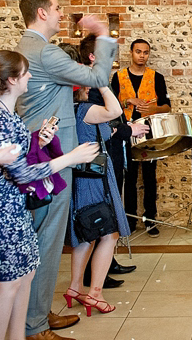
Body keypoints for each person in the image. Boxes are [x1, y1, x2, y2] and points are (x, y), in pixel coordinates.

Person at [15, 0, 117, 340]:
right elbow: (98, 77)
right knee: (46, 241)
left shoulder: (26, 48)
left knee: (45, 239)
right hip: (51, 157)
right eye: (57, 8)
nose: (62, 14)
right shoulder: (44, 51)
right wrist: (102, 34)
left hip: (41, 154)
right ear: (42, 13)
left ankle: (37, 314)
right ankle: (34, 326)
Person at [0, 50, 98, 340]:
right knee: (8, 283)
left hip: (16, 204)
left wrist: (38, 140)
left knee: (27, 274)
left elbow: (17, 155)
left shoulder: (8, 113)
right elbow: (22, 173)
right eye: (26, 72)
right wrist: (69, 157)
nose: (30, 76)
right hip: (1, 207)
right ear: (11, 79)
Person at [79, 35, 147, 288]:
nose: (115, 59)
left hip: (112, 154)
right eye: (109, 54)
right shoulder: (90, 86)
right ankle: (93, 275)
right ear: (93, 57)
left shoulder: (100, 83)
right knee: (100, 213)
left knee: (108, 211)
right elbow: (102, 124)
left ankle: (107, 262)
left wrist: (126, 127)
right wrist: (130, 131)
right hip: (99, 157)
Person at [63, 84, 129, 316]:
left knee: (86, 233)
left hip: (79, 176)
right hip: (94, 177)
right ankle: (95, 293)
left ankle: (75, 287)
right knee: (109, 233)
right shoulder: (84, 109)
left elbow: (99, 132)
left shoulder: (67, 108)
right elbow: (114, 111)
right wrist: (102, 83)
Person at [111, 39, 171, 237]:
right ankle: (128, 220)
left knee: (149, 177)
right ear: (131, 53)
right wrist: (127, 100)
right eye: (138, 51)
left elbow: (167, 107)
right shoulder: (118, 77)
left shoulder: (157, 77)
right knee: (128, 177)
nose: (142, 55)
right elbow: (109, 106)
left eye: (145, 52)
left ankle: (150, 219)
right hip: (125, 132)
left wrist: (152, 108)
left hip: (149, 131)